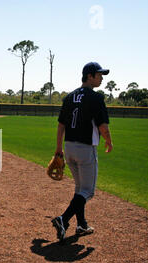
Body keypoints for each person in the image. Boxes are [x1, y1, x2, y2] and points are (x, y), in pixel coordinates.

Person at [52, 62, 113, 241]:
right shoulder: (96, 98)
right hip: (86, 149)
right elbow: (102, 125)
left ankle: (81, 224)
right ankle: (63, 219)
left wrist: (58, 148)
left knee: (79, 188)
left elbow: (61, 124)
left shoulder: (69, 97)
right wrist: (109, 140)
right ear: (89, 76)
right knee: (88, 191)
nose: (101, 78)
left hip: (69, 147)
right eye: (99, 75)